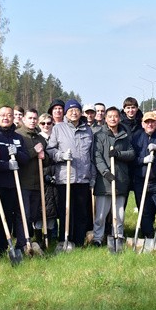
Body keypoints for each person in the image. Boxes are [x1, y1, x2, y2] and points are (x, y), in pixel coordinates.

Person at [46, 99, 95, 246]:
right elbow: (50, 150)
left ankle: (79, 241)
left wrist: (92, 176)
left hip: (83, 177)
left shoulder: (88, 130)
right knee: (66, 211)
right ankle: (65, 240)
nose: (74, 113)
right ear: (66, 113)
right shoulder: (58, 128)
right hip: (65, 177)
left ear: (81, 112)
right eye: (70, 110)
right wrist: (61, 156)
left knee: (81, 212)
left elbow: (91, 155)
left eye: (77, 110)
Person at [0, 105, 29, 256]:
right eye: (2, 115)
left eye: (9, 115)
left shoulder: (18, 137)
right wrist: (6, 165)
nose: (6, 118)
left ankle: (2, 248)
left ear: (13, 118)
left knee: (7, 218)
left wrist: (17, 153)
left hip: (12, 185)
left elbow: (25, 159)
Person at [92, 107, 136, 246]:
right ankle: (98, 238)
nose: (113, 119)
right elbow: (97, 156)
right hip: (104, 181)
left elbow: (132, 154)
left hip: (120, 179)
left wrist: (118, 154)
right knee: (101, 214)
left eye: (115, 116)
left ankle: (118, 235)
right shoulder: (99, 136)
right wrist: (106, 172)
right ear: (105, 119)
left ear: (119, 118)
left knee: (119, 214)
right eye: (110, 116)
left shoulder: (124, 136)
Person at [131, 111, 156, 241]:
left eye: (152, 122)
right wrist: (143, 160)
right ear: (142, 124)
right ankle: (148, 235)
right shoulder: (136, 138)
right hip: (141, 180)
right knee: (144, 211)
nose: (150, 124)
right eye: (147, 122)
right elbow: (131, 158)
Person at [16, 108, 48, 245]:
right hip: (23, 182)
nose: (33, 121)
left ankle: (28, 239)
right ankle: (22, 243)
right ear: (23, 119)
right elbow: (18, 157)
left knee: (34, 215)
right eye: (30, 118)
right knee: (24, 214)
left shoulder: (40, 138)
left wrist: (44, 157)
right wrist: (34, 151)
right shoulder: (18, 135)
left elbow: (46, 161)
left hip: (37, 183)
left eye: (35, 118)